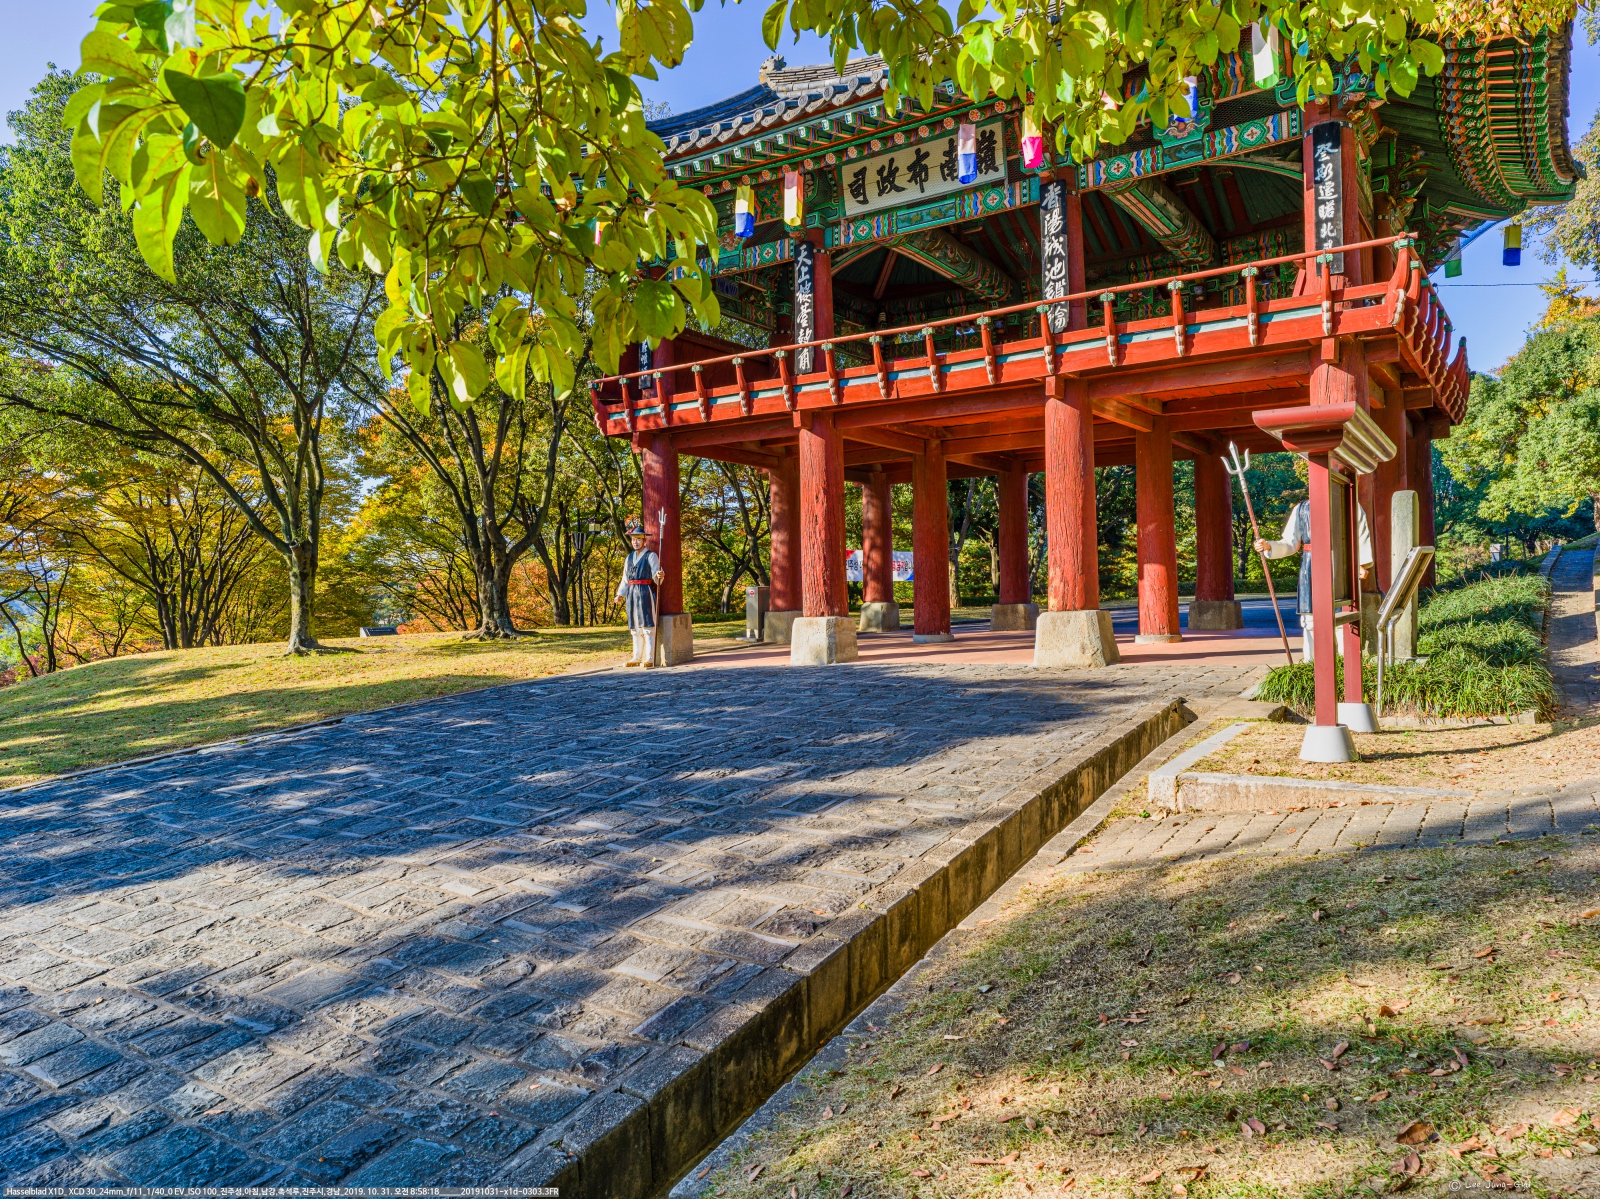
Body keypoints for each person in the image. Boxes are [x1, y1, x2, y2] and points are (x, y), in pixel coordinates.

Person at [1255, 496, 1372, 663]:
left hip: (1341, 562)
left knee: (1341, 615)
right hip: (1310, 566)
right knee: (1310, 619)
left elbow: (1361, 534)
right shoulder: (1301, 508)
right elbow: (1290, 543)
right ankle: (1312, 664)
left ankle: (1345, 663)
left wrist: (1360, 563)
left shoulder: (1348, 503)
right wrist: (1269, 546)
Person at [617, 520, 665, 668]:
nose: (635, 542)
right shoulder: (629, 558)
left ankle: (649, 657)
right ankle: (636, 656)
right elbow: (625, 578)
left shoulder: (651, 556)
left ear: (644, 541)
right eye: (633, 539)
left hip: (645, 592)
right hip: (631, 593)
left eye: (638, 539)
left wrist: (659, 575)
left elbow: (656, 575)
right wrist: (620, 594)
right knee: (635, 626)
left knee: (647, 624)